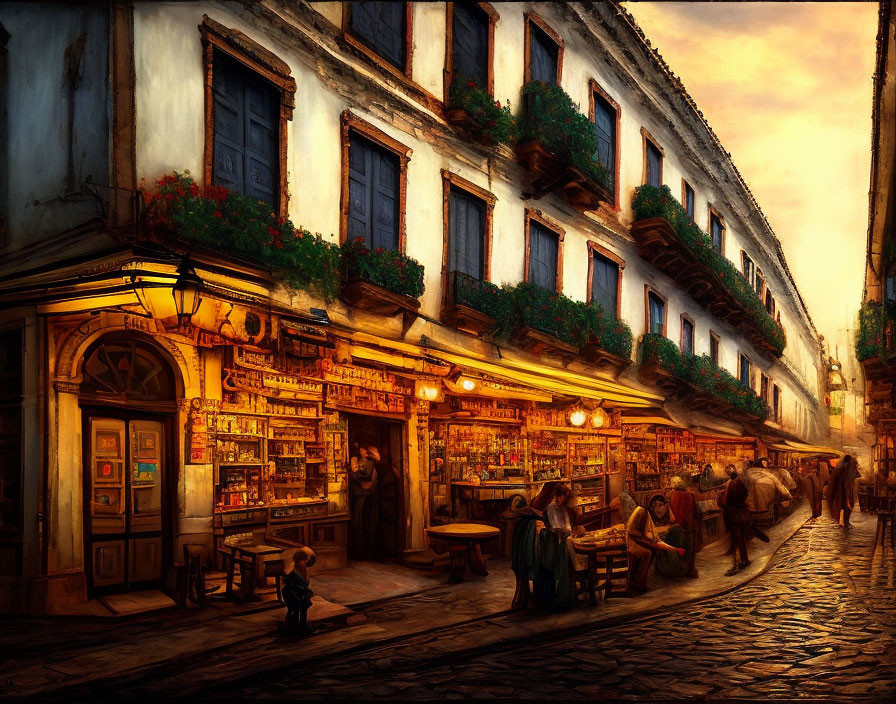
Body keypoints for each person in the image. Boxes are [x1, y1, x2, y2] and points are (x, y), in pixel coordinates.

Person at [626, 500, 686, 593]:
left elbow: (650, 536)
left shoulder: (643, 513)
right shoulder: (641, 513)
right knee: (648, 553)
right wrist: (649, 541)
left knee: (653, 550)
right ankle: (639, 583)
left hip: (638, 540)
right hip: (633, 543)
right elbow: (635, 533)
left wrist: (672, 548)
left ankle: (641, 581)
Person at [718, 467, 751, 576]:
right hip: (742, 513)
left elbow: (725, 501)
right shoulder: (741, 483)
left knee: (735, 540)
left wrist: (721, 495)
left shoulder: (731, 484)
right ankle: (745, 560)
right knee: (741, 539)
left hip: (734, 515)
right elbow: (745, 495)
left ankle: (736, 566)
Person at [668, 476, 699, 578]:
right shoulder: (690, 495)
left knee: (680, 550)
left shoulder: (672, 495)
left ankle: (681, 571)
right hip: (689, 526)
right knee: (691, 551)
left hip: (677, 527)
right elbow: (696, 511)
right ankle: (691, 571)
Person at [282, 547, 316, 636]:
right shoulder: (293, 572)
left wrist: (306, 592)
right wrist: (301, 590)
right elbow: (290, 584)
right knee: (296, 607)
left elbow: (305, 583)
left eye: (306, 561)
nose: (305, 563)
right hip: (290, 593)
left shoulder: (304, 570)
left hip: (299, 593)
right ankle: (293, 626)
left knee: (304, 606)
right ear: (298, 561)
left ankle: (303, 625)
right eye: (304, 561)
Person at [828, 454, 860, 527]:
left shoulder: (842, 469)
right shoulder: (843, 469)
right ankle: (844, 521)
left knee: (844, 506)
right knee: (844, 505)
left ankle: (844, 521)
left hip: (844, 489)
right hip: (843, 489)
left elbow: (833, 481)